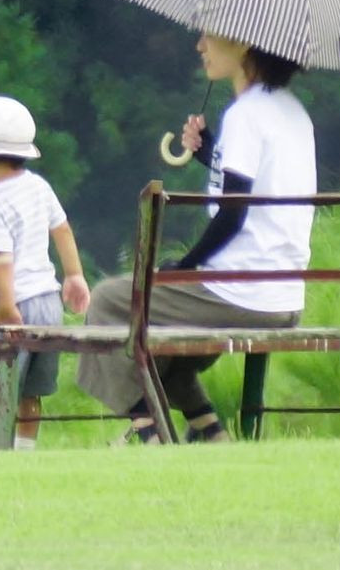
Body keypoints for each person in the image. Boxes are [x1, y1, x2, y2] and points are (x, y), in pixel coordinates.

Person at [72, 29, 316, 441]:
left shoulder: (245, 114)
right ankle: (208, 429)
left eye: (209, 37)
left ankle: (148, 428)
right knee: (165, 337)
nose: (200, 46)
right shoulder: (293, 111)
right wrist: (212, 153)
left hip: (242, 294)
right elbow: (256, 189)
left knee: (109, 300)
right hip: (283, 296)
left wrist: (186, 266)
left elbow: (233, 214)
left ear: (243, 43)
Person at [0, 94, 90, 448]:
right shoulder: (38, 187)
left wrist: (6, 307)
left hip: (14, 303)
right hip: (48, 302)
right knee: (32, 387)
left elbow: (1, 259)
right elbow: (62, 229)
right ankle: (25, 446)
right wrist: (74, 275)